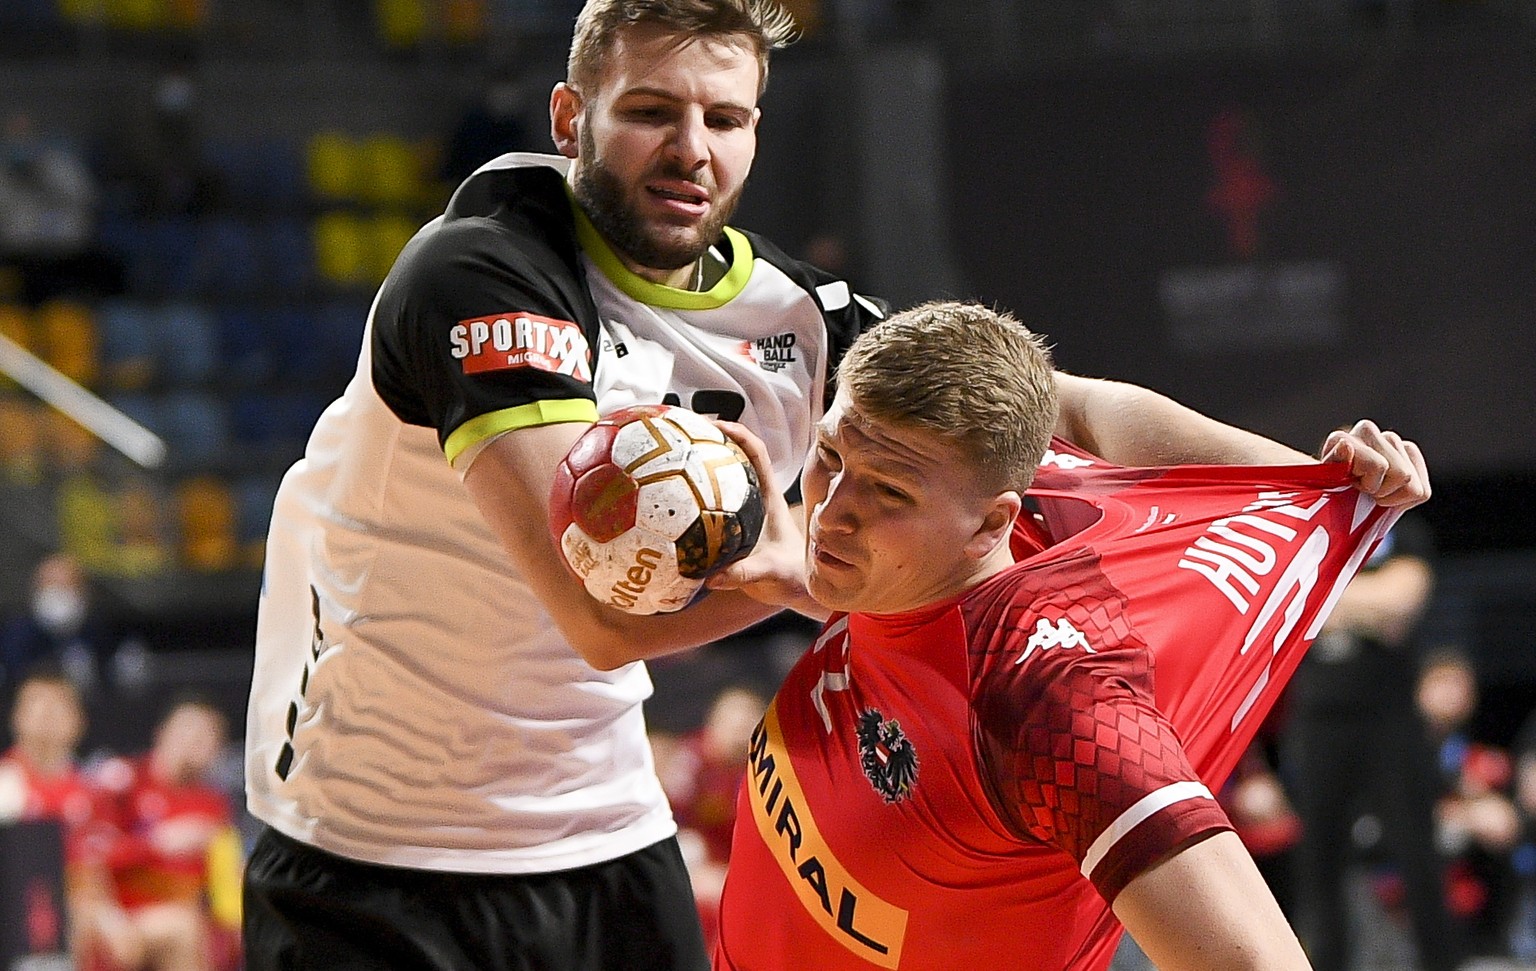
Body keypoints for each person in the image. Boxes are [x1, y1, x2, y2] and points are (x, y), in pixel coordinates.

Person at [241, 2, 1431, 968]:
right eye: (650, 112)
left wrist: (1311, 481)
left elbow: (1054, 405)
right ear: (572, 115)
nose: (690, 150)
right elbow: (601, 615)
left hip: (596, 822)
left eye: (724, 117)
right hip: (368, 838)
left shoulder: (801, 324)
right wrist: (835, 568)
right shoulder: (484, 270)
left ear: (757, 131)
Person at [710, 301, 1430, 971]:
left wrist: (1323, 500)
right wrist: (1294, 476)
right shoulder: (948, 528)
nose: (830, 514)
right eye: (831, 456)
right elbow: (1073, 405)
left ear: (989, 526)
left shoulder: (1053, 705)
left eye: (888, 492)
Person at [1279, 511, 1464, 971]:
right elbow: (1282, 599)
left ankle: (1441, 963)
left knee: (1417, 853)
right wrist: (1367, 605)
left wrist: (1323, 597)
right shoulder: (1309, 529)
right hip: (1319, 722)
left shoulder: (1401, 527)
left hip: (1390, 720)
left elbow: (1401, 600)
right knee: (1318, 864)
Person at [86, 696, 242, 971]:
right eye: (188, 730)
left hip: (189, 920)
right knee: (180, 928)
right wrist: (158, 843)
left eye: (207, 737)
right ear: (162, 733)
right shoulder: (124, 780)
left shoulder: (214, 804)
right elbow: (91, 857)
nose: (196, 741)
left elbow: (225, 882)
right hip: (120, 916)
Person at [0, 666, 117, 965]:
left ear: (79, 721)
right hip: (22, 911)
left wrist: (103, 911)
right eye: (37, 701)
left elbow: (96, 867)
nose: (47, 712)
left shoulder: (94, 791)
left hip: (88, 906)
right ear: (16, 717)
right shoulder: (6, 782)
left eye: (58, 703)